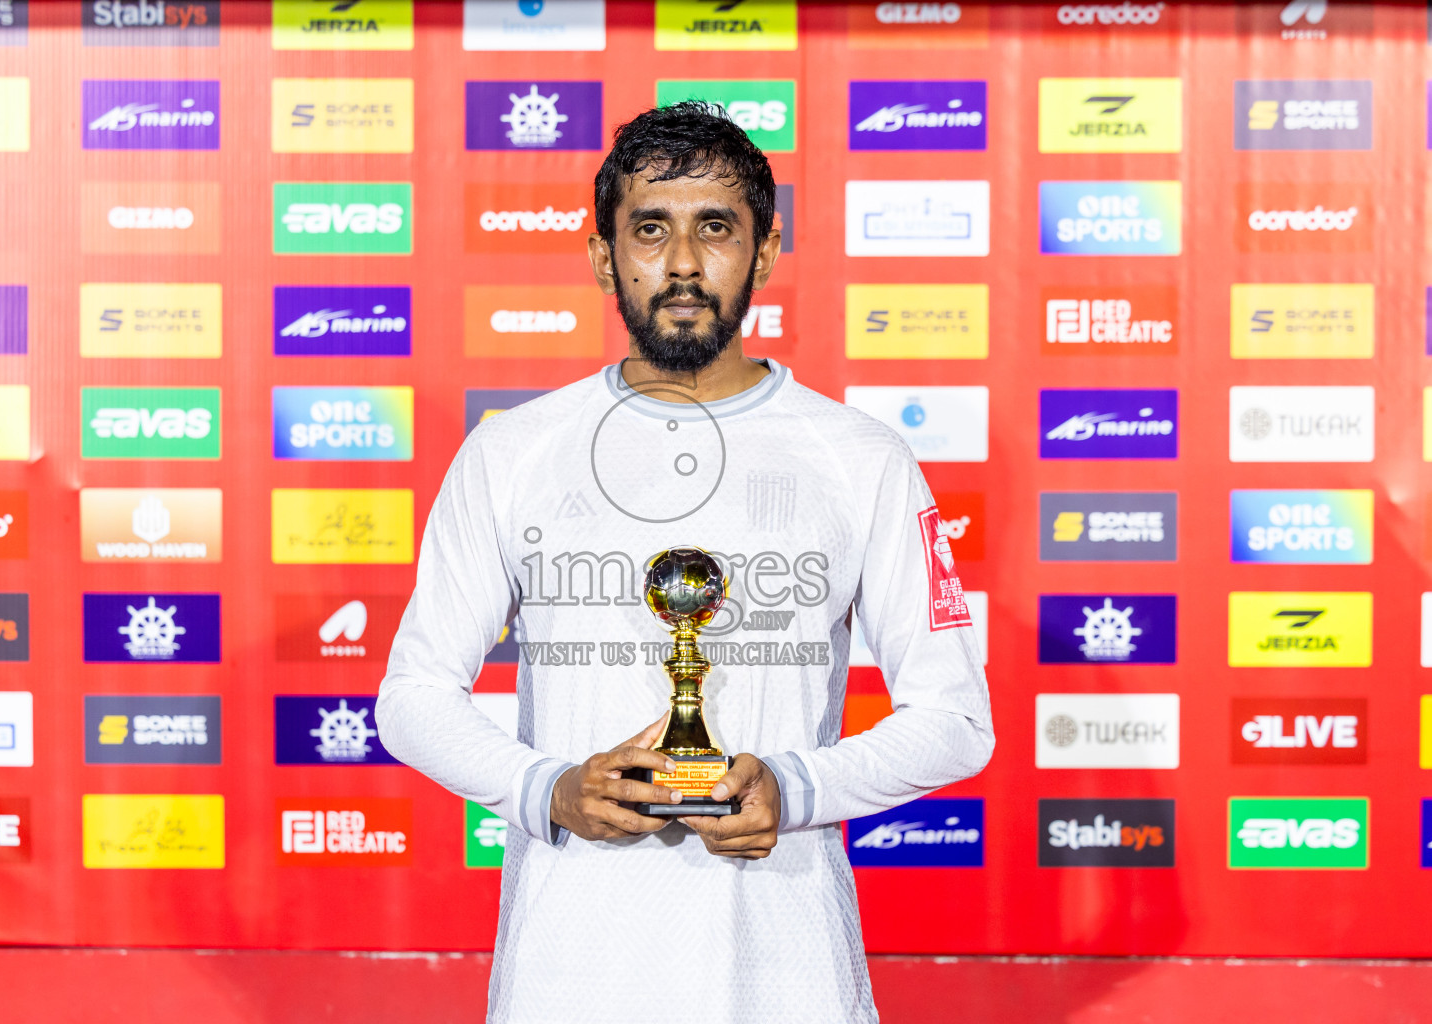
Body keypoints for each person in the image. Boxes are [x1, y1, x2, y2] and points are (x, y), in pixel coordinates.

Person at [376, 102, 994, 1024]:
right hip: (568, 972)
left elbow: (956, 718)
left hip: (787, 972)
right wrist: (547, 789)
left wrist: (796, 785)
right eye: (650, 230)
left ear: (767, 249)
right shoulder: (515, 454)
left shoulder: (860, 458)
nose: (682, 266)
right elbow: (410, 699)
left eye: (716, 228)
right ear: (601, 255)